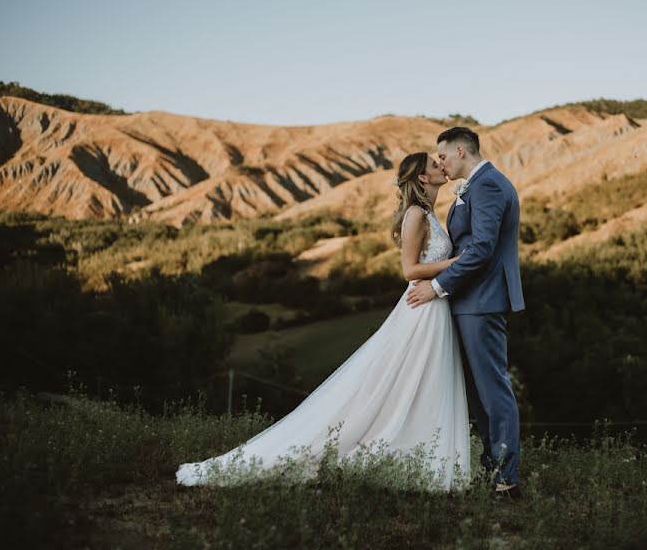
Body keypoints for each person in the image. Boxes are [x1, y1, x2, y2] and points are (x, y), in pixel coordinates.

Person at [175, 152, 471, 492]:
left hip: (434, 309)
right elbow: (409, 271)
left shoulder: (431, 214)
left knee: (423, 383)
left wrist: (449, 266)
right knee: (394, 382)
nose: (441, 166)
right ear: (422, 178)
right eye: (434, 165)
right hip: (420, 309)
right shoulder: (416, 215)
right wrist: (456, 263)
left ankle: (422, 457)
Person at [406, 126, 525, 497]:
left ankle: (507, 478)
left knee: (493, 390)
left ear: (460, 151)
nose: (440, 162)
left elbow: (480, 251)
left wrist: (437, 287)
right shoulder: (476, 186)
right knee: (477, 393)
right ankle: (491, 468)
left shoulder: (487, 185)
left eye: (442, 156)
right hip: (469, 302)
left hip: (482, 301)